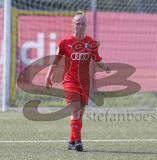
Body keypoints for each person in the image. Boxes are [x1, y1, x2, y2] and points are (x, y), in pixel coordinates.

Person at [45, 11, 110, 152]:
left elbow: (97, 59)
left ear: (86, 25)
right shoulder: (64, 42)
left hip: (85, 82)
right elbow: (55, 60)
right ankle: (79, 142)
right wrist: (48, 76)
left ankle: (71, 141)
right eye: (77, 23)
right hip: (70, 81)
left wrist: (105, 66)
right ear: (72, 25)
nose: (79, 26)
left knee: (80, 113)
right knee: (75, 110)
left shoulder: (91, 43)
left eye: (82, 23)